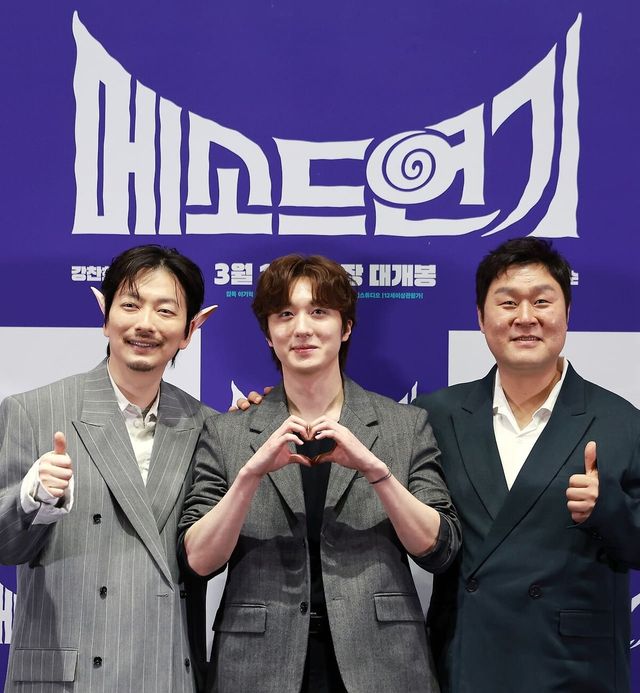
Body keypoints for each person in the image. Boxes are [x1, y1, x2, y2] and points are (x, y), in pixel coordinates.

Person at [179, 254, 461, 693]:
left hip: (382, 661)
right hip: (257, 664)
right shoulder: (226, 432)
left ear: (346, 327)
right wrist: (249, 477)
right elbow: (198, 561)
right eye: (284, 314)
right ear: (268, 333)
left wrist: (377, 472)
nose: (302, 328)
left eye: (319, 311)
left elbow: (439, 551)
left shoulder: (404, 426)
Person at [413, 237, 640, 693]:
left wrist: (607, 508)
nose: (525, 317)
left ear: (567, 314)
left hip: (572, 667)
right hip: (467, 659)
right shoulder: (434, 416)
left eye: (541, 301)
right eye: (507, 303)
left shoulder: (621, 421)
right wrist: (268, 413)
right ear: (481, 319)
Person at [0, 244, 217, 692]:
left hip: (165, 671)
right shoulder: (33, 410)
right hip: (66, 675)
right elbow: (4, 546)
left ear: (190, 329)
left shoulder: (208, 426)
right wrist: (32, 496)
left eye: (165, 310)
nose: (145, 324)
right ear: (105, 314)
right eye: (131, 305)